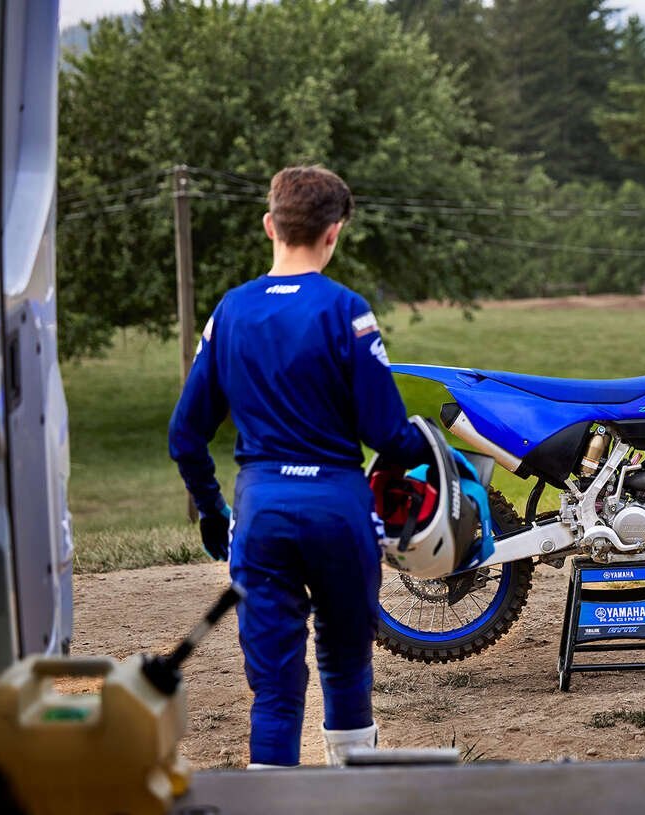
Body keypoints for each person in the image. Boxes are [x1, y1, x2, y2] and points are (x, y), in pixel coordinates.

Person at [168, 165, 430, 768]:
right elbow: (388, 435)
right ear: (333, 233)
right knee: (346, 666)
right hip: (337, 513)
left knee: (275, 691)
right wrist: (435, 448)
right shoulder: (348, 311)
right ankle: (353, 797)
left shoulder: (230, 313)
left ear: (270, 225)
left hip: (262, 516)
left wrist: (212, 512)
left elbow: (185, 435)